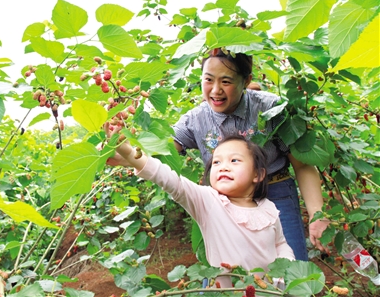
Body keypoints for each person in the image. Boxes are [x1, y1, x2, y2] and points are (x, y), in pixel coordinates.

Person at [172, 48, 329, 260]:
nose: (215, 90)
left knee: (291, 268)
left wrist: (317, 214)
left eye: (226, 82)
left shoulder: (271, 109)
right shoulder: (195, 119)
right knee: (228, 271)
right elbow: (163, 148)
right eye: (208, 80)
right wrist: (127, 150)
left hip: (275, 193)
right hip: (224, 203)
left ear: (246, 81)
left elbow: (302, 165)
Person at [105, 129, 295, 287]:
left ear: (258, 174)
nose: (223, 167)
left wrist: (285, 270)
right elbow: (171, 180)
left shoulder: (268, 209)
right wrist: (130, 153)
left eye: (234, 160)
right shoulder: (209, 202)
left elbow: (280, 244)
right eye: (216, 162)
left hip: (269, 291)